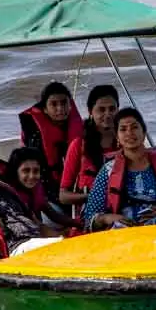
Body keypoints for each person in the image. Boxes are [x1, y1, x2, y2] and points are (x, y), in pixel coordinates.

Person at [82, 107, 156, 232]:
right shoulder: (108, 170)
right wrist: (107, 218)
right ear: (117, 137)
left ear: (143, 133)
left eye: (134, 127)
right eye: (123, 129)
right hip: (124, 233)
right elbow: (89, 216)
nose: (129, 133)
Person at [59, 85, 120, 221]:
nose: (108, 114)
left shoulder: (127, 142)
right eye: (101, 110)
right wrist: (95, 196)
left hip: (124, 207)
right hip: (92, 214)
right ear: (90, 112)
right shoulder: (78, 146)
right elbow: (63, 196)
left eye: (112, 109)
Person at [19, 81, 84, 195]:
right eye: (54, 104)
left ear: (70, 105)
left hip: (73, 182)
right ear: (45, 109)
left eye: (64, 103)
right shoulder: (35, 134)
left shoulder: (81, 127)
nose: (60, 108)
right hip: (45, 184)